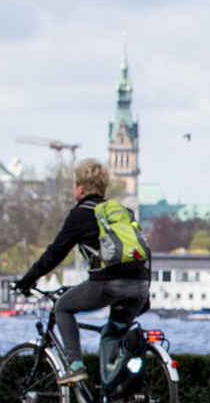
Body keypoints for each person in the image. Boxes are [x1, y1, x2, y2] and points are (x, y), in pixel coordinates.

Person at [13, 158, 151, 390]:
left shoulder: (82, 214)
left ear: (81, 188)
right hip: (139, 285)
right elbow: (143, 250)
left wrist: (27, 280)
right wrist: (145, 294)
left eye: (74, 185)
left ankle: (75, 365)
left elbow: (55, 253)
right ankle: (118, 400)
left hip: (108, 284)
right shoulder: (121, 212)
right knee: (112, 333)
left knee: (63, 308)